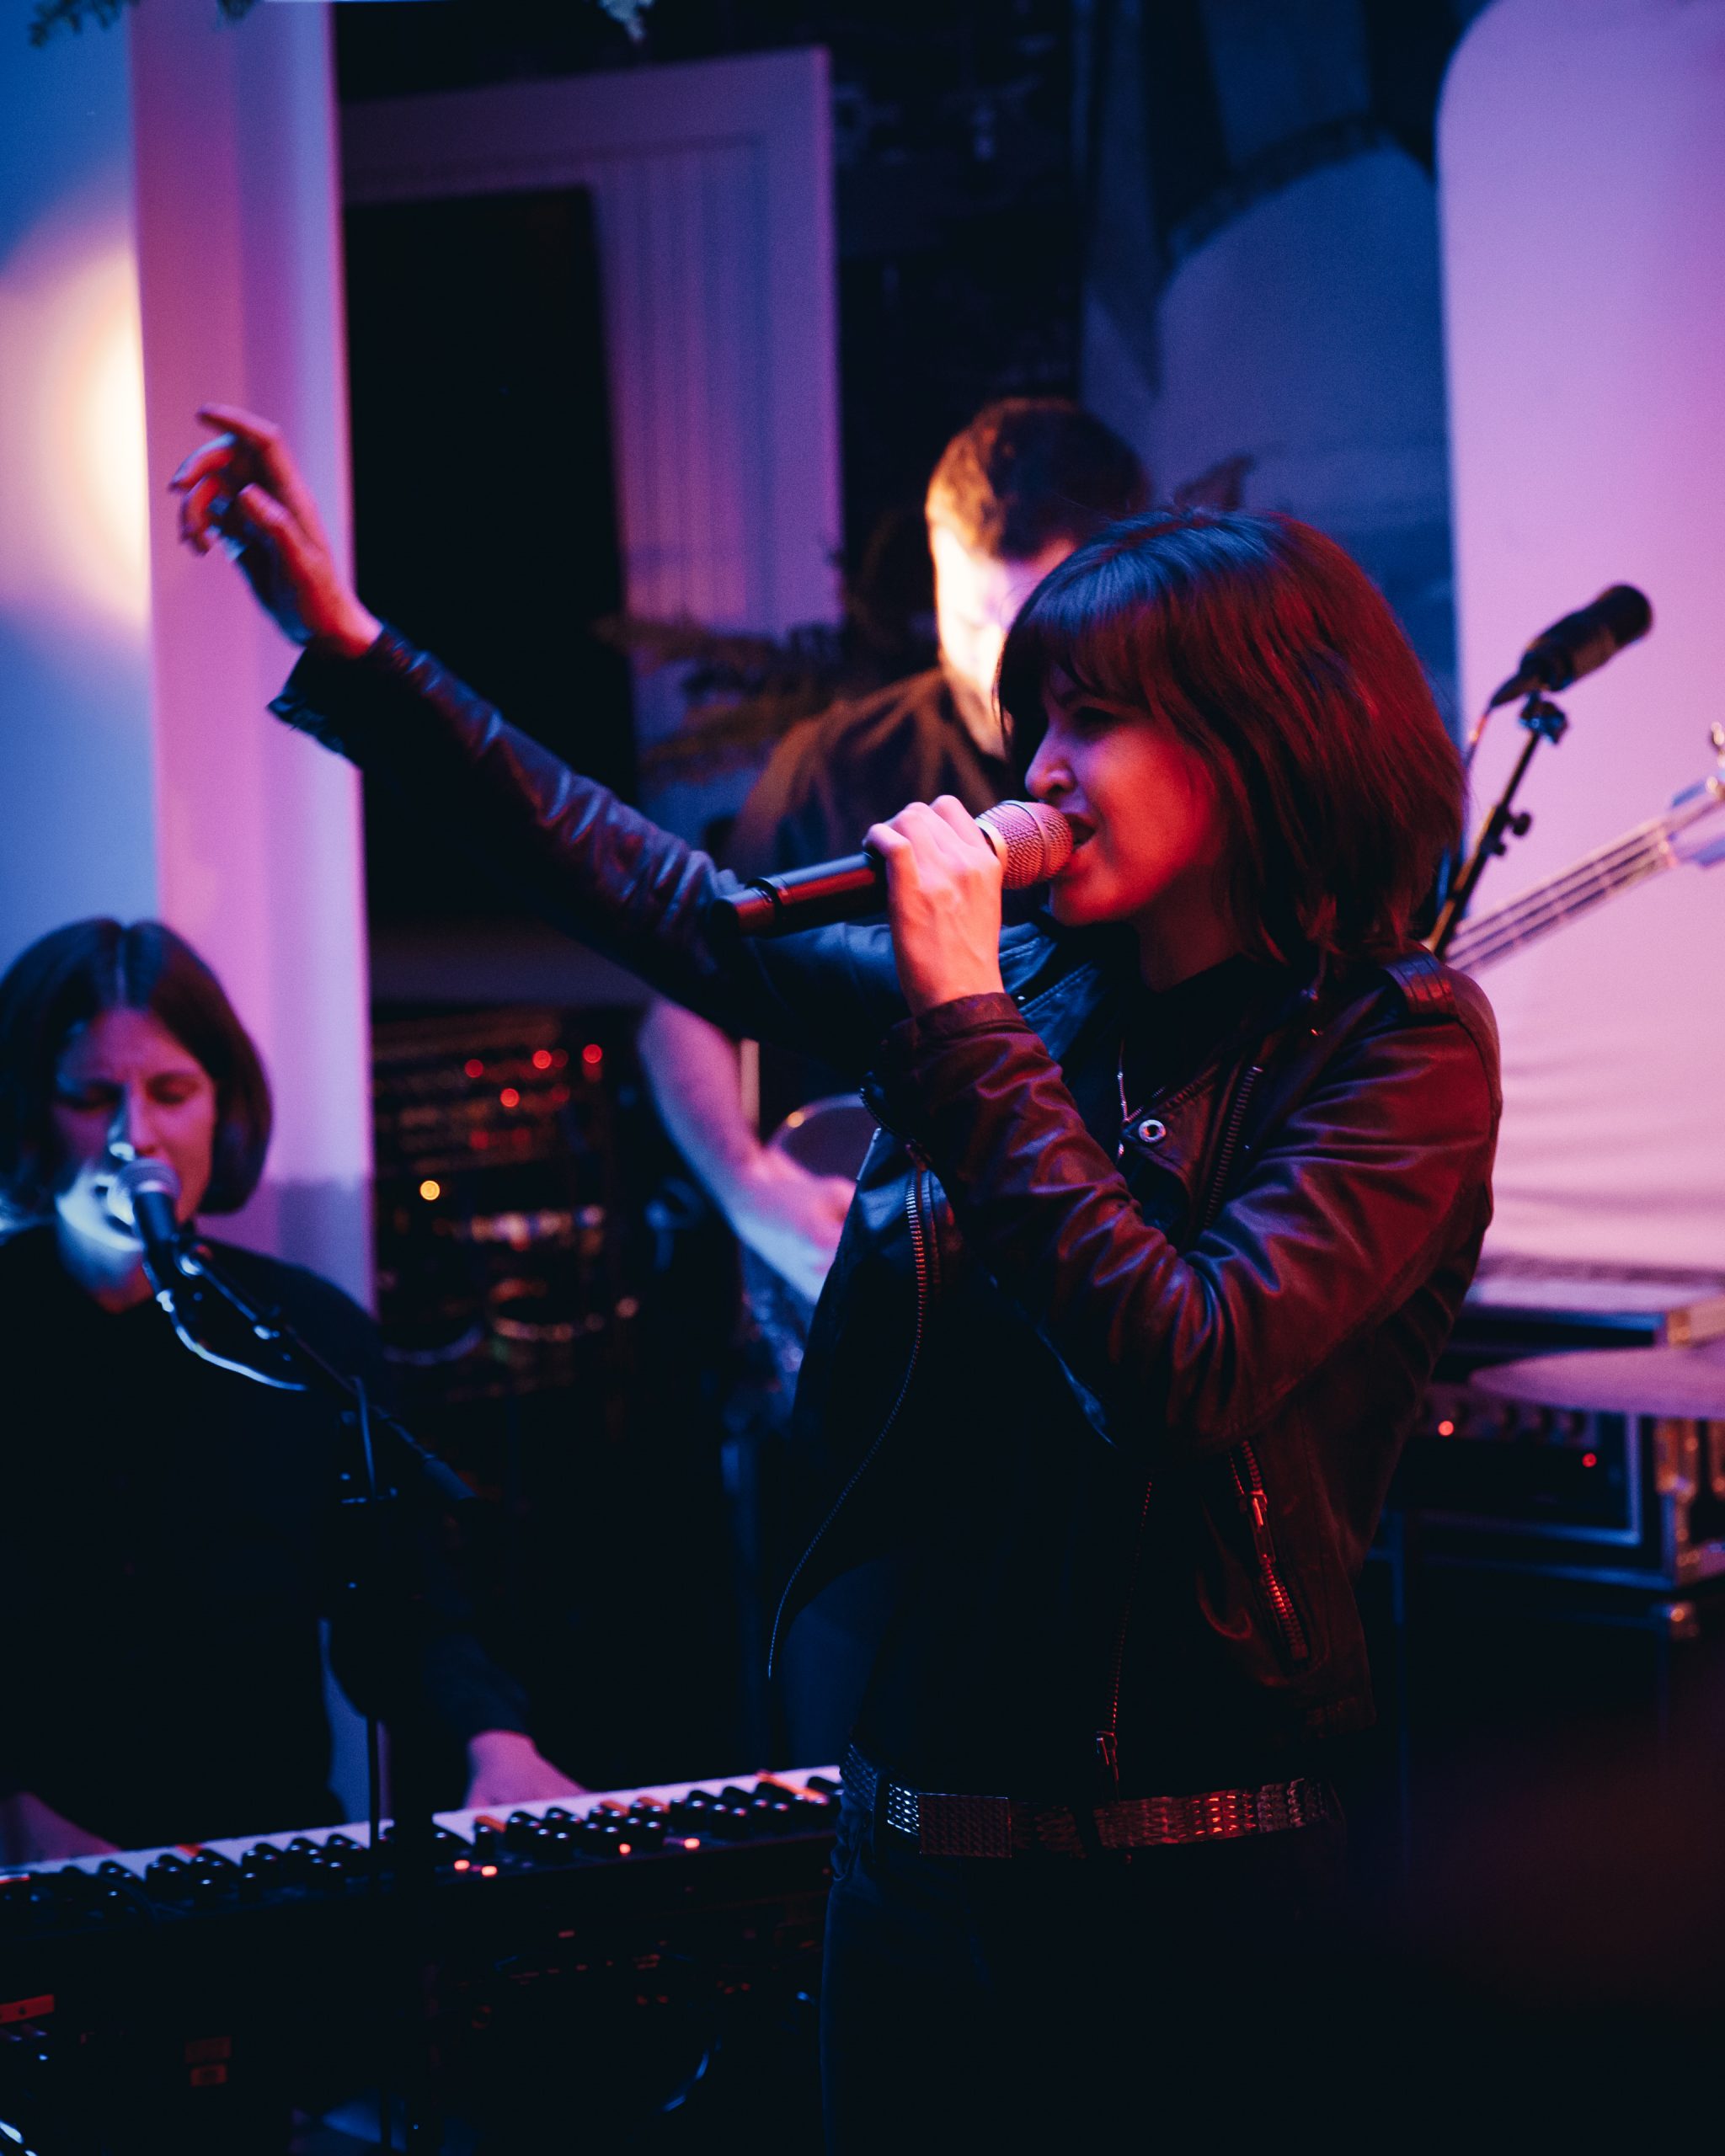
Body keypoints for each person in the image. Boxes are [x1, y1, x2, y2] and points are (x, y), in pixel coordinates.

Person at [174, 407, 1499, 2141]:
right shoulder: (1031, 985)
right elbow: (677, 905)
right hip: (902, 1863)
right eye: (1039, 718)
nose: (1039, 765)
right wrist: (351, 653)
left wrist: (961, 1016)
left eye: (1095, 718)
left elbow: (1181, 1362)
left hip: (1191, 1892)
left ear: (1255, 741)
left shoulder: (1393, 1049)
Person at [0, 917, 582, 1862]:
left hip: (262, 1863)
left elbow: (399, 1608)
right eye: (91, 1096)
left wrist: (495, 1744)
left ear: (219, 1109)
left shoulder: (302, 1330)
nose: (134, 1137)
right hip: (36, 1888)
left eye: (171, 1092)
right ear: (26, 1108)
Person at [638, 398, 1149, 1310]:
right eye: (970, 616)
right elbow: (686, 1004)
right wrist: (753, 1191)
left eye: (1032, 625)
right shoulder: (833, 767)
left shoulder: (1155, 780)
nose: (998, 664)